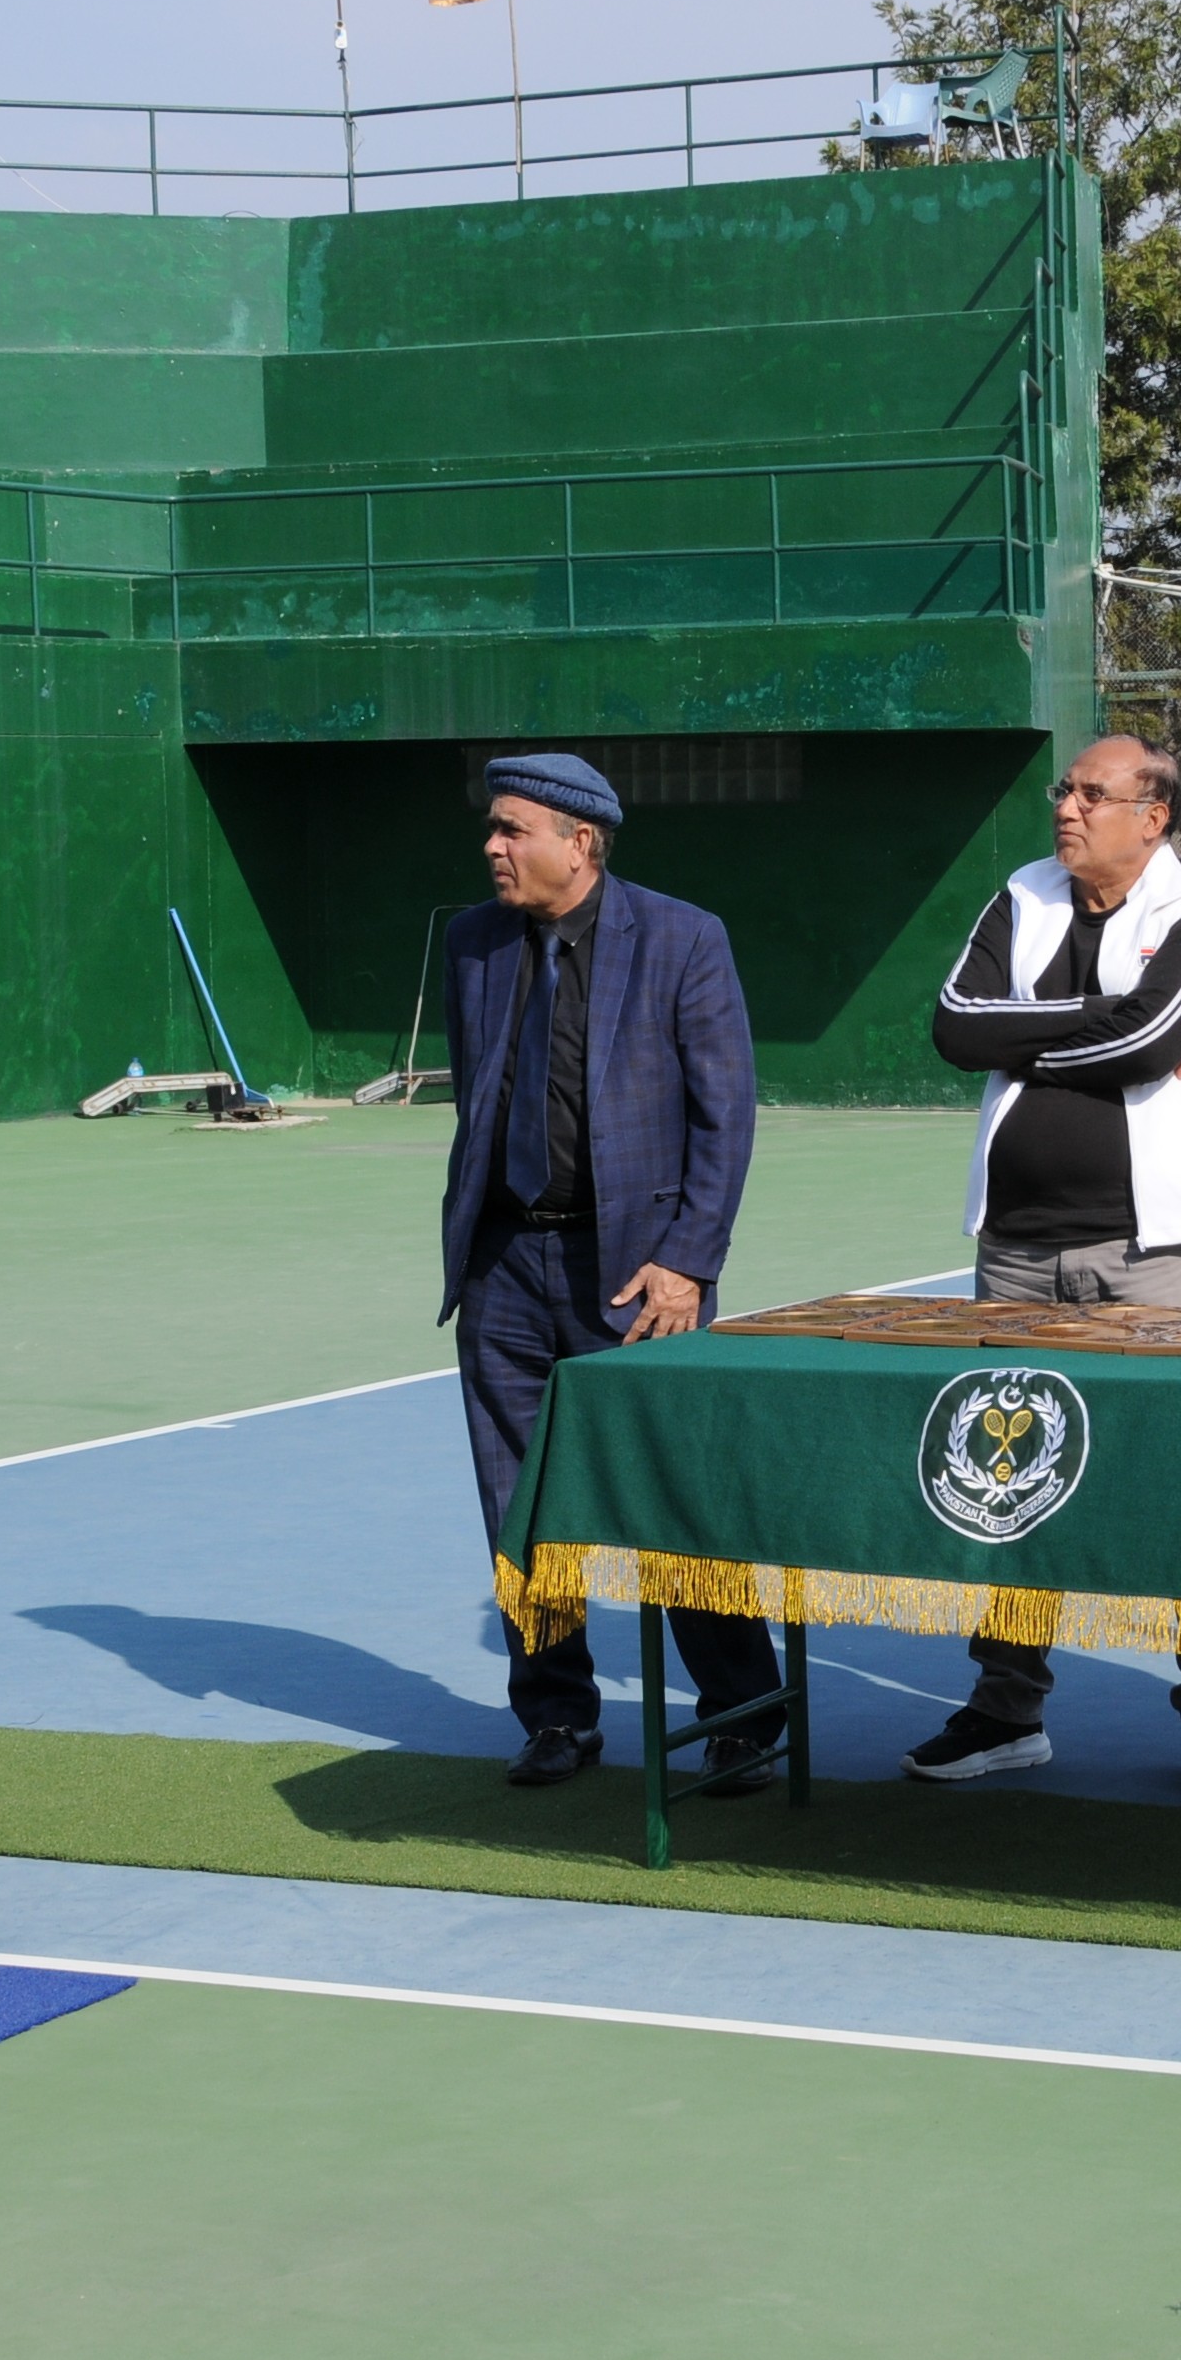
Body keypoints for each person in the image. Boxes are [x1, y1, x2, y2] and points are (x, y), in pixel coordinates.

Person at [907, 734, 1181, 1794]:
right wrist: (1086, 1025)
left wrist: (1036, 1037)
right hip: (1011, 1249)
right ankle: (1006, 1707)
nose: (1067, 807)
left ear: (1151, 816)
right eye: (1065, 789)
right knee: (1006, 1486)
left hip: (1152, 1254)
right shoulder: (1022, 893)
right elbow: (954, 1028)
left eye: (1092, 794)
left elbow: (1151, 1045)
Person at [437, 753, 783, 1792]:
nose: (492, 848)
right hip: (503, 1267)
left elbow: (727, 1118)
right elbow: (482, 1094)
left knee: (677, 1502)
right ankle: (555, 1715)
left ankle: (741, 1712)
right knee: (521, 1507)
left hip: (638, 1276)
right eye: (491, 830)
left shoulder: (683, 938)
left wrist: (686, 1262)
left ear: (579, 842)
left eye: (512, 830)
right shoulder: (473, 943)